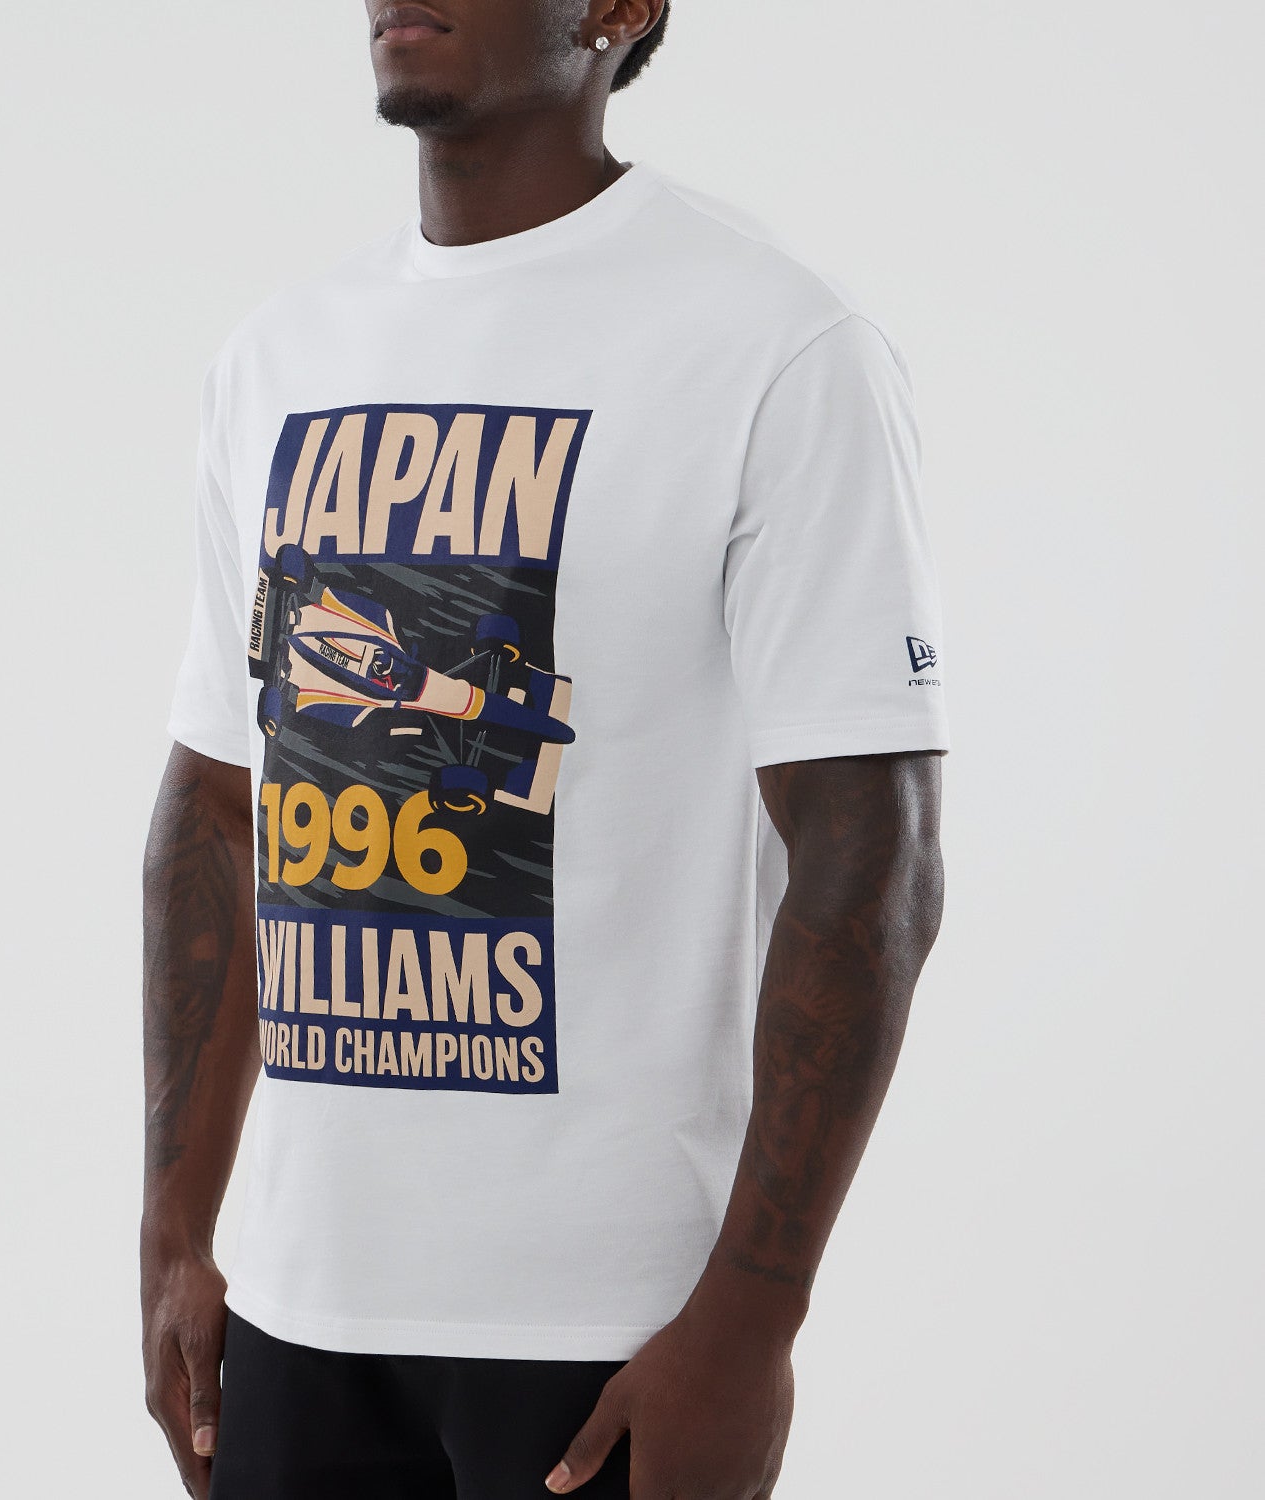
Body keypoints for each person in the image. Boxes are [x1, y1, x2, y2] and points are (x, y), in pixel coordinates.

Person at [140, 2, 949, 1496]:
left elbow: (869, 859)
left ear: (621, 7)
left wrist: (749, 1323)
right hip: (298, 1313)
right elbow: (218, 800)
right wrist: (174, 1231)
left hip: (611, 1334)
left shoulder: (775, 344)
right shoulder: (278, 357)